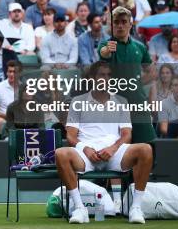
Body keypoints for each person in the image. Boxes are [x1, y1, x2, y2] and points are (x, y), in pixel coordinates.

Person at [55, 61, 152, 224]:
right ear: (92, 78)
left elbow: (127, 134)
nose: (105, 79)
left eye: (109, 75)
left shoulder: (121, 101)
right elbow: (71, 135)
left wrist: (113, 148)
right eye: (101, 75)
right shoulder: (77, 101)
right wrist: (85, 148)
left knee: (146, 150)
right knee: (60, 153)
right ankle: (80, 208)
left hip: (114, 154)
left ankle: (135, 208)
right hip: (86, 154)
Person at [99, 6, 155, 143]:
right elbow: (103, 53)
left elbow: (151, 70)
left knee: (148, 144)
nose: (120, 25)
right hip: (114, 104)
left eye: (124, 22)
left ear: (131, 24)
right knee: (118, 147)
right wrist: (107, 50)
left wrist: (136, 84)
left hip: (138, 103)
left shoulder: (139, 47)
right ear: (111, 25)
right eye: (116, 22)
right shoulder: (106, 44)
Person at [0, 60, 20, 133]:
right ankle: (4, 140)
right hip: (4, 118)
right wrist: (7, 116)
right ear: (6, 73)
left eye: (14, 72)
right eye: (10, 71)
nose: (12, 74)